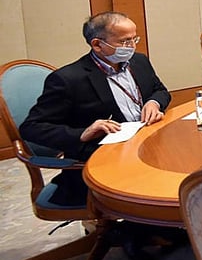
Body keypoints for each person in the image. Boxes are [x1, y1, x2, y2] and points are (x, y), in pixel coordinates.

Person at [20, 11, 171, 207]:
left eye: (134, 39)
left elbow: (160, 90)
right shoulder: (68, 79)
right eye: (124, 41)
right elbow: (31, 128)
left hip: (146, 147)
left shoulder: (139, 62)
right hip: (103, 164)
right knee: (161, 195)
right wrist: (82, 133)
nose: (132, 46)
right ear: (98, 45)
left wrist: (154, 102)